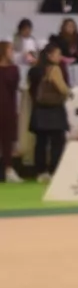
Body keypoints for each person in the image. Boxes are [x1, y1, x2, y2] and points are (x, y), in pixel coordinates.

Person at [27, 42, 70, 182]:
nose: (60, 57)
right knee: (57, 141)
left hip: (39, 110)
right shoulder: (54, 69)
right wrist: (67, 93)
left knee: (41, 142)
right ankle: (54, 169)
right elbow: (63, 89)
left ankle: (40, 171)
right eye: (58, 54)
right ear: (50, 55)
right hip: (54, 111)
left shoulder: (35, 70)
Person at [0, 40, 19, 182]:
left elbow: (13, 88)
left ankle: (9, 169)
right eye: (10, 49)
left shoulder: (13, 69)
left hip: (7, 107)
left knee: (7, 140)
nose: (12, 51)